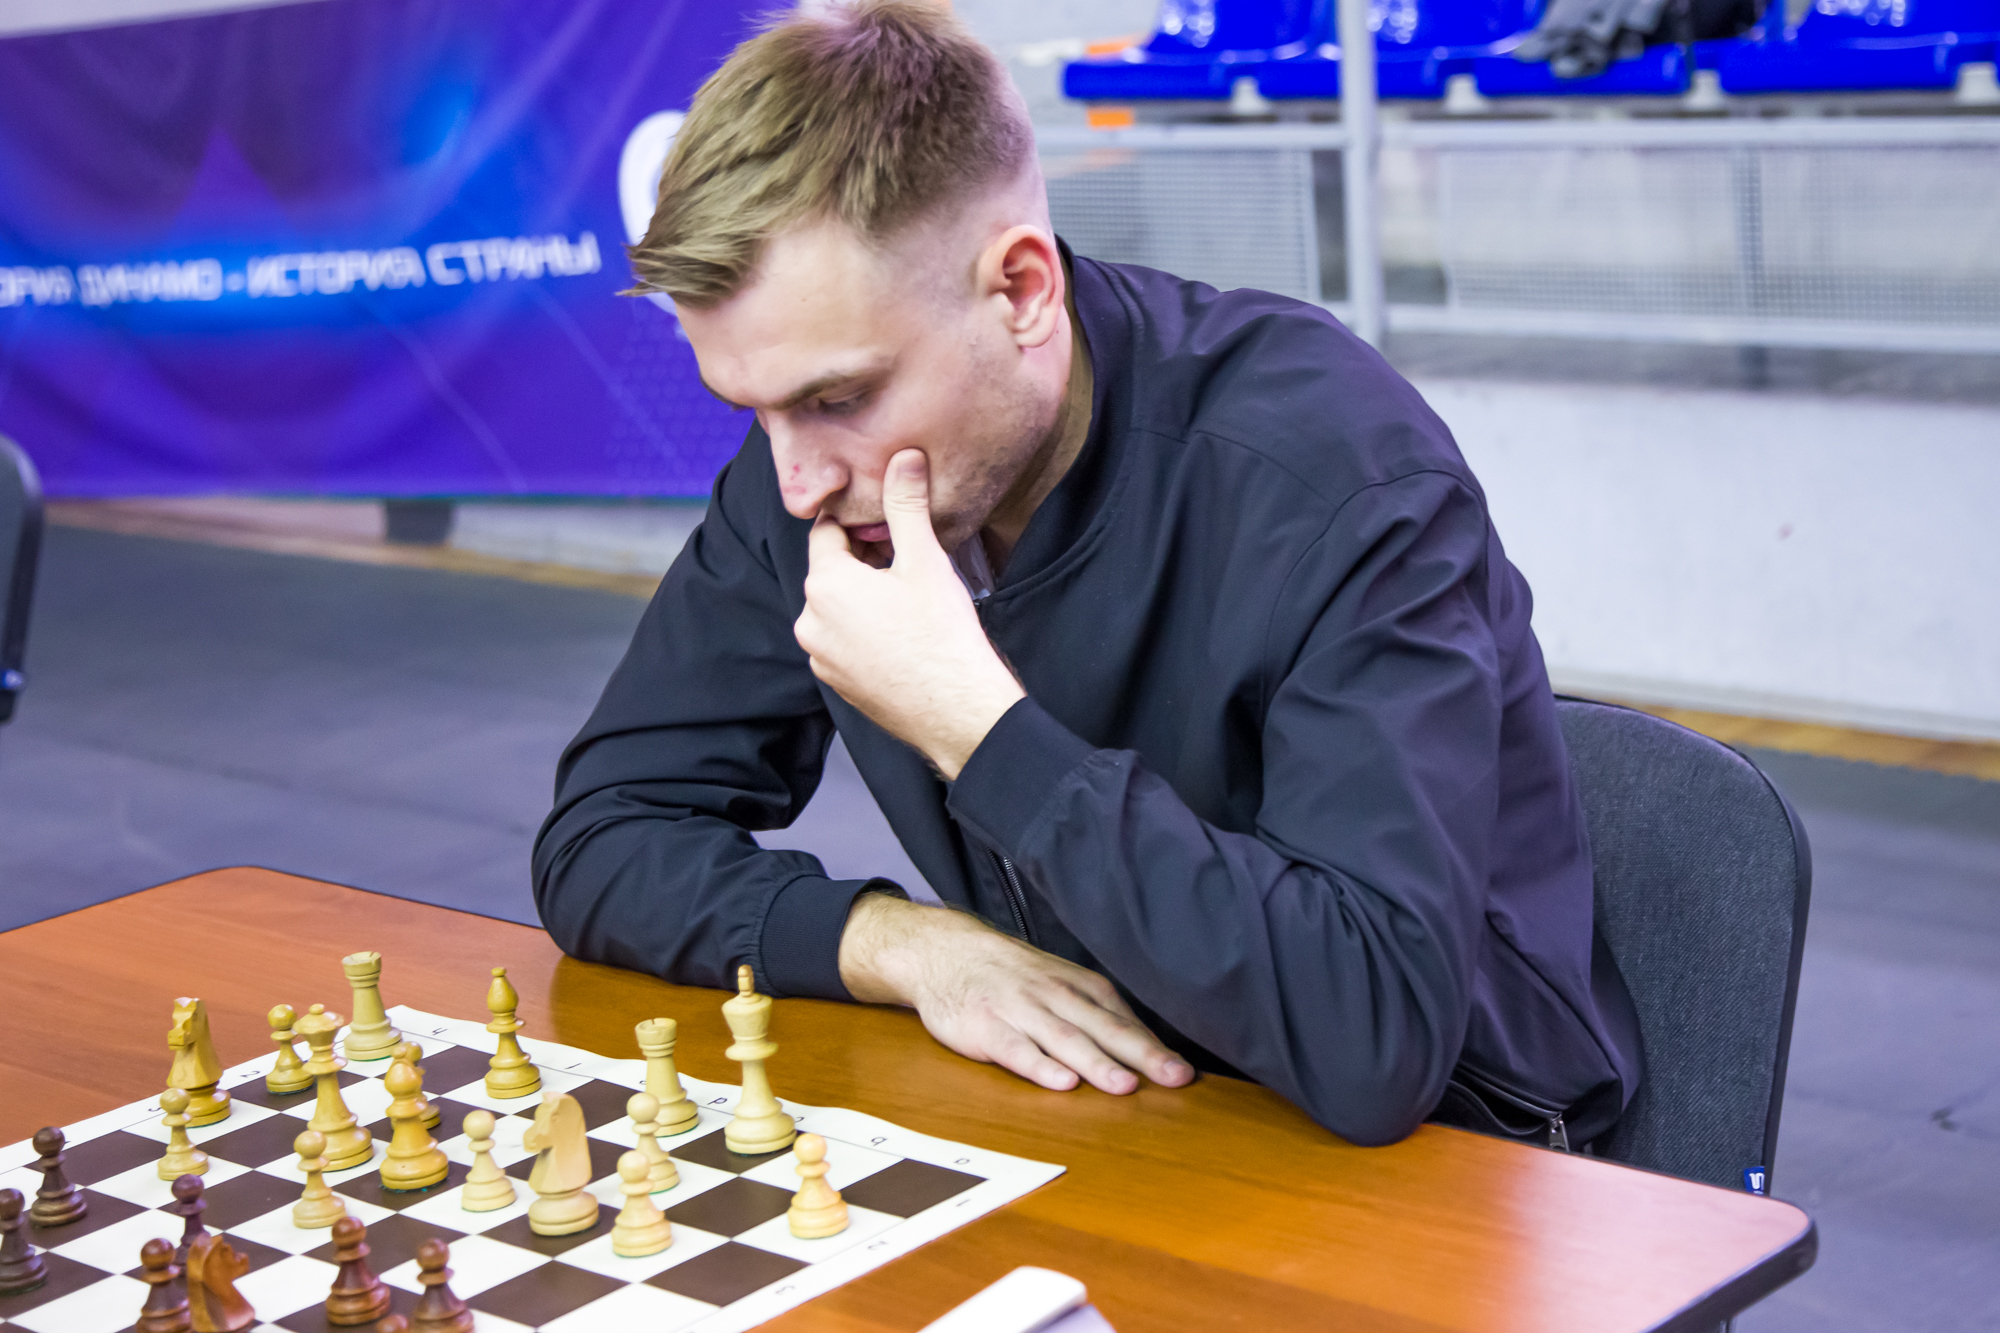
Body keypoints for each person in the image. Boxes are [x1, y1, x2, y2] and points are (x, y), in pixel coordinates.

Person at [533, 0, 1642, 1149]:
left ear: (1019, 291)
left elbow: (1375, 1038)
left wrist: (976, 726)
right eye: (750, 410)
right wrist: (900, 945)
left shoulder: (1336, 474)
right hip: (1127, 1105)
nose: (796, 478)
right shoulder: (815, 475)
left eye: (838, 396)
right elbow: (601, 836)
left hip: (1463, 1144)